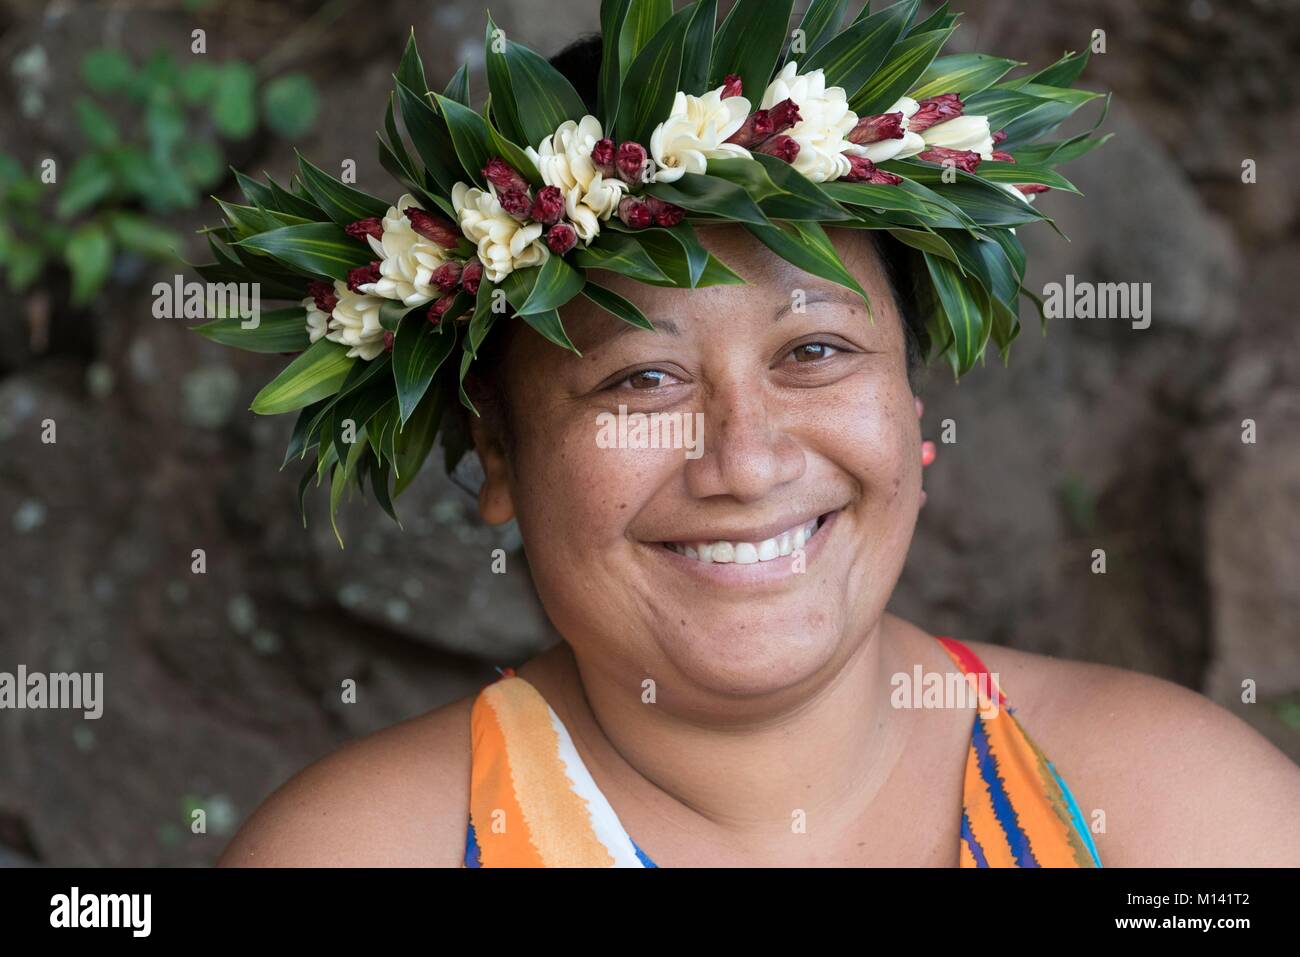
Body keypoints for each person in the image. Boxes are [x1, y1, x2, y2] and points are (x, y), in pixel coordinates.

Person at [210, 19, 1300, 867]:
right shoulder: (363, 853)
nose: (748, 458)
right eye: (640, 377)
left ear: (911, 417)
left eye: (815, 352)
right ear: (498, 456)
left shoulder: (1176, 814)